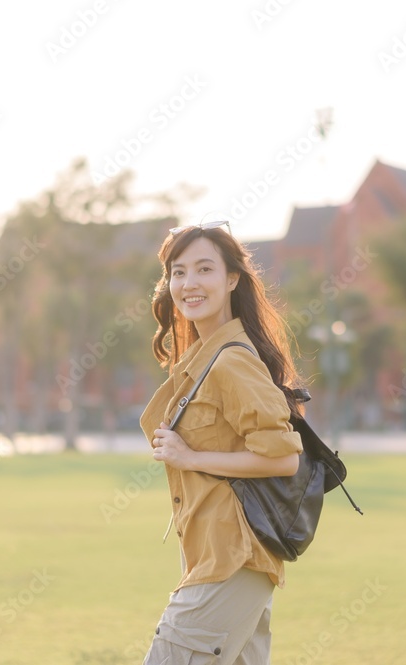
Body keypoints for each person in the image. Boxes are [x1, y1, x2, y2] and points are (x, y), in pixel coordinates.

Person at [140, 219, 305, 664]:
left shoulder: (232, 361)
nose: (188, 283)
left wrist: (190, 456)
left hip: (231, 560)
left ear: (232, 279)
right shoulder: (203, 356)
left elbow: (284, 458)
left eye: (204, 269)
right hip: (216, 559)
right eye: (178, 271)